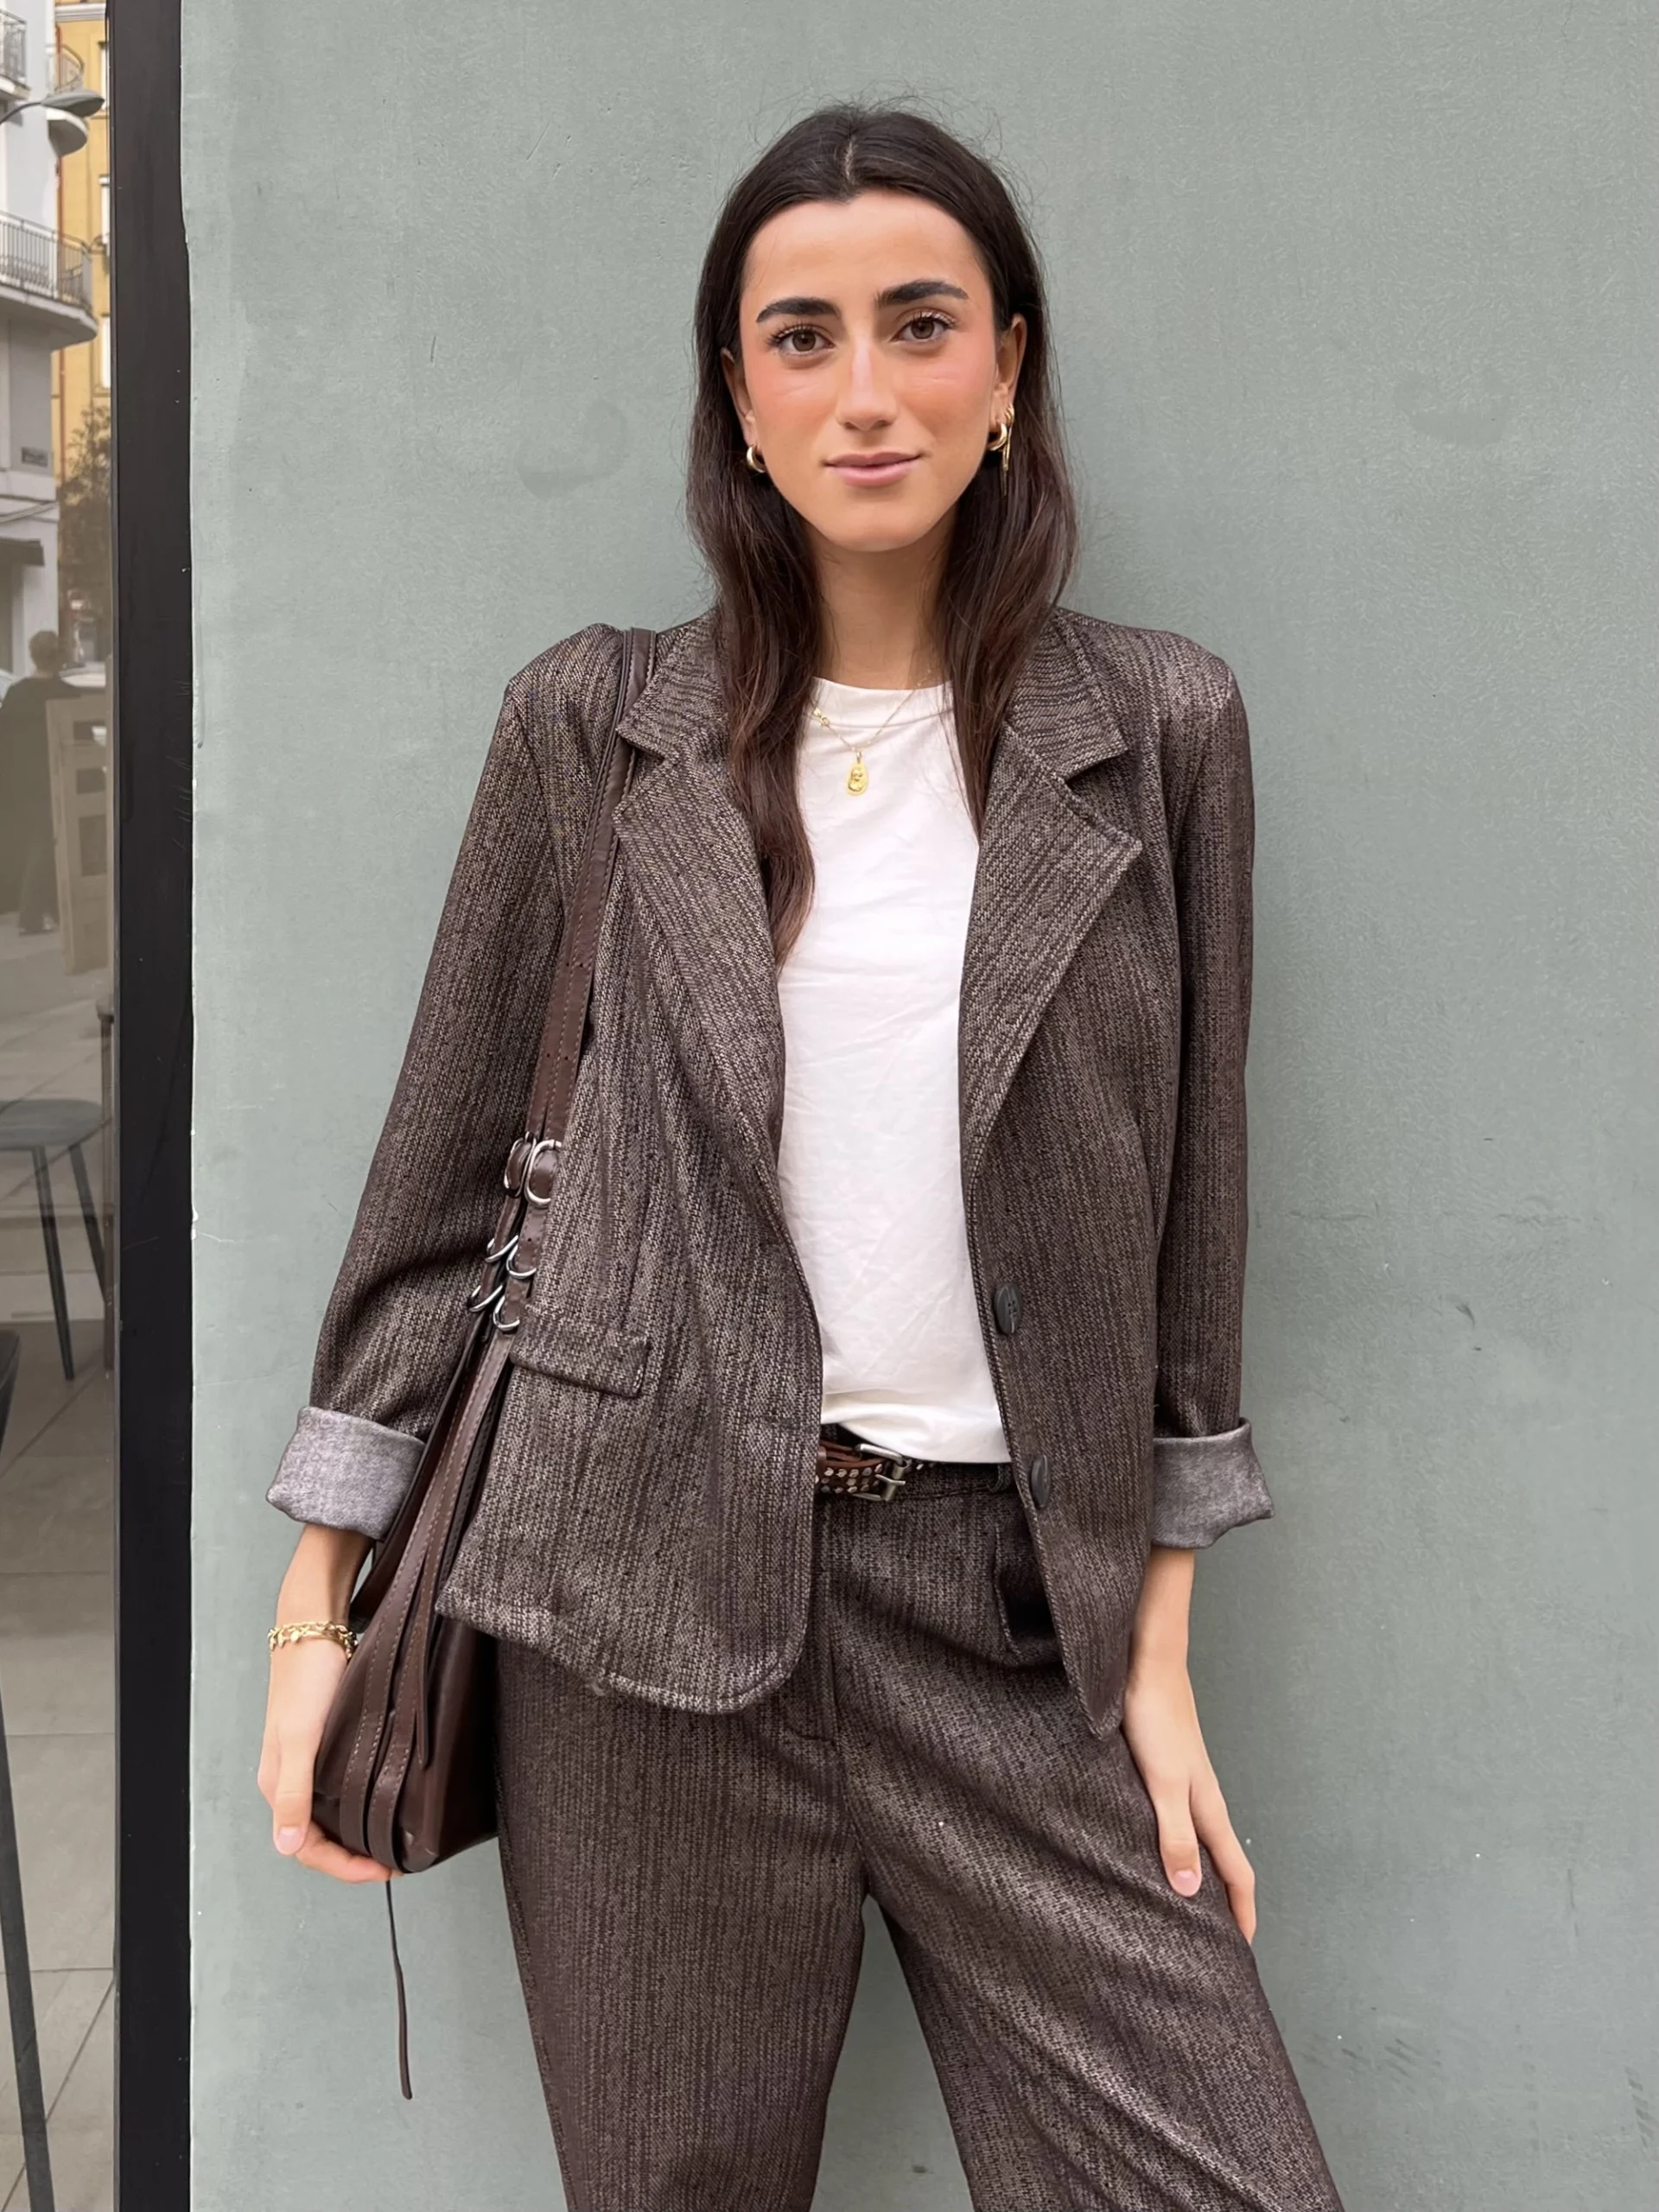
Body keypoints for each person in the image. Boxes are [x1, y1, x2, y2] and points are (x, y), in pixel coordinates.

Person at [258, 103, 1345, 2212]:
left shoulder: (1159, 732)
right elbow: (440, 1188)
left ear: (1008, 367)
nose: (866, 390)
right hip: (633, 1605)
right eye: (803, 336)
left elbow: (1189, 1224)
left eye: (920, 325)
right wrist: (318, 1613)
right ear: (739, 399)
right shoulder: (596, 727)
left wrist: (1155, 1648)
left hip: (1005, 1616)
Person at [0, 630, 79, 932]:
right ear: (58, 657)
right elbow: (80, 742)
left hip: (19, 784)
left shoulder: (16, 694)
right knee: (48, 846)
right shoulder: (67, 695)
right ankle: (31, 918)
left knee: (37, 843)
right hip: (54, 780)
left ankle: (53, 912)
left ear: (33, 656)